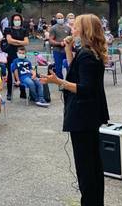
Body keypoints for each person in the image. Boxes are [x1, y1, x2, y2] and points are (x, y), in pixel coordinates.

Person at [41, 14, 109, 206]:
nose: (72, 28)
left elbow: (85, 87)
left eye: (75, 26)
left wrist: (58, 81)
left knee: (86, 167)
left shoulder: (87, 53)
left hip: (83, 116)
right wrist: (69, 49)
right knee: (93, 163)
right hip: (90, 115)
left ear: (85, 29)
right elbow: (76, 71)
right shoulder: (87, 51)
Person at [4, 13, 29, 100]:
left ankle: (23, 92)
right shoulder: (8, 29)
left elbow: (26, 42)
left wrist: (16, 42)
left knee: (22, 72)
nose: (17, 21)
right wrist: (20, 42)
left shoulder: (24, 30)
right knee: (10, 74)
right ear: (12, 20)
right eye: (15, 20)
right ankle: (9, 93)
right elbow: (9, 41)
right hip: (11, 53)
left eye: (18, 20)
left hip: (21, 53)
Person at [49, 13, 71, 79]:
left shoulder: (68, 28)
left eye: (61, 17)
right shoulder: (53, 28)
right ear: (56, 19)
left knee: (69, 67)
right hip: (57, 51)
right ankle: (60, 83)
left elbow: (71, 38)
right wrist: (59, 43)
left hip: (67, 51)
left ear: (64, 18)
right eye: (58, 18)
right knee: (58, 68)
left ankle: (68, 81)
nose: (60, 19)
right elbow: (51, 40)